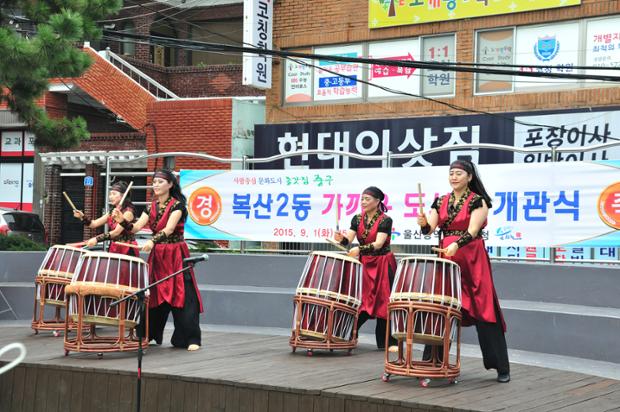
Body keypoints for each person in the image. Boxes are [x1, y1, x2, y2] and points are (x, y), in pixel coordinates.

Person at [417, 159, 510, 383]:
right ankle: (433, 362)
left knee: (484, 308)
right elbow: (429, 230)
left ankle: (501, 367)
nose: (454, 177)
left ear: (469, 177)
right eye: (451, 173)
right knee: (441, 308)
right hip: (446, 260)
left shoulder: (478, 201)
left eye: (459, 173)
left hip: (472, 259)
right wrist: (423, 224)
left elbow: (473, 230)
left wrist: (456, 245)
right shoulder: (440, 201)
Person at [112, 169, 203, 351]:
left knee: (183, 294)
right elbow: (135, 228)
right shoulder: (150, 206)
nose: (156, 185)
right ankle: (149, 334)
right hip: (158, 256)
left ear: (170, 184)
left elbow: (169, 229)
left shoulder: (178, 206)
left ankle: (190, 338)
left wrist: (152, 241)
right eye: (154, 182)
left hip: (176, 254)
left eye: (160, 182)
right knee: (153, 293)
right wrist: (122, 221)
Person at [334, 186, 397, 349]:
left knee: (384, 301)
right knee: (362, 300)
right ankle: (346, 334)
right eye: (362, 199)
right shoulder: (356, 218)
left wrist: (359, 249)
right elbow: (348, 240)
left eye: (367, 199)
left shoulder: (385, 220)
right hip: (365, 264)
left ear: (377, 201)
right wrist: (341, 239)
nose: (363, 202)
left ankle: (387, 342)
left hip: (382, 263)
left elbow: (378, 244)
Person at [73, 180, 138, 256]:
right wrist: (82, 217)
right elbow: (94, 224)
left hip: (127, 248)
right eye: (110, 194)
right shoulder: (112, 211)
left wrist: (96, 239)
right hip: (114, 247)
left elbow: (116, 232)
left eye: (114, 194)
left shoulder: (128, 212)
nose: (111, 197)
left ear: (123, 196)